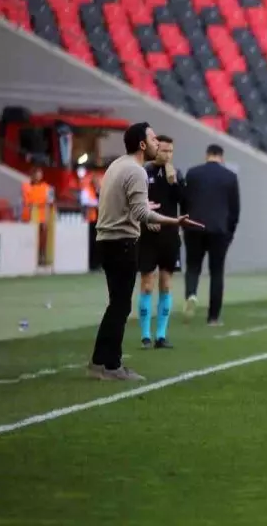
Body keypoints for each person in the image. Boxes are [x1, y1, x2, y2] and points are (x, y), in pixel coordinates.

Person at [88, 123, 199, 382]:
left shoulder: (117, 164)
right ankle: (112, 365)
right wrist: (175, 221)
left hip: (106, 240)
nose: (156, 143)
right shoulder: (136, 171)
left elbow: (119, 201)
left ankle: (98, 362)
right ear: (142, 144)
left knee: (116, 304)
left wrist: (141, 205)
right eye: (152, 138)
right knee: (120, 306)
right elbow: (141, 214)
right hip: (122, 242)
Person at [182, 144, 240, 325]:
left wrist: (185, 225)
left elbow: (184, 202)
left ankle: (191, 295)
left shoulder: (192, 174)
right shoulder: (230, 177)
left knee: (192, 267)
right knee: (216, 272)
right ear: (221, 157)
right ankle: (213, 317)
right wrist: (230, 232)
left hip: (194, 227)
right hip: (219, 229)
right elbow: (235, 209)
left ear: (206, 155)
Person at [138, 135, 185, 348]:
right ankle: (145, 335)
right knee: (147, 285)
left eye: (170, 152)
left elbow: (184, 202)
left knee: (166, 284)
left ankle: (161, 336)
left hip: (170, 237)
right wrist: (146, 219)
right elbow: (134, 202)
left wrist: (174, 182)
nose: (167, 155)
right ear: (155, 150)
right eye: (164, 150)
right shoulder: (143, 172)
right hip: (147, 237)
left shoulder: (175, 174)